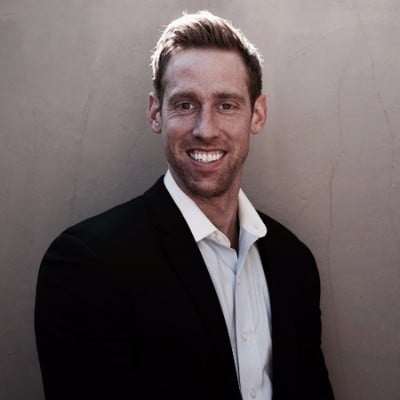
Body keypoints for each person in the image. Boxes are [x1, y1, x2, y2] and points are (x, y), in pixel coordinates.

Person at [35, 11, 334, 400]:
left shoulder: (294, 263)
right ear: (156, 112)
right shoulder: (86, 264)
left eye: (226, 105)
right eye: (185, 104)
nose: (205, 129)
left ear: (257, 114)